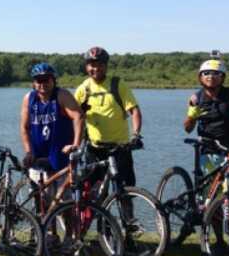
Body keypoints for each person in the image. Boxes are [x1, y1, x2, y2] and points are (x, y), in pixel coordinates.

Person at [19, 62, 84, 211]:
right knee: (42, 203)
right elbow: (24, 126)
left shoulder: (61, 95)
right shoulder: (29, 98)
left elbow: (78, 117)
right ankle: (48, 233)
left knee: (64, 203)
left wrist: (75, 145)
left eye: (46, 79)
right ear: (34, 83)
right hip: (38, 158)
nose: (42, 84)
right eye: (38, 80)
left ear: (53, 80)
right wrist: (28, 151)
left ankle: (69, 234)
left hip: (60, 157)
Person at [74, 46, 143, 187]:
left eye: (100, 64)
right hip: (94, 149)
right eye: (92, 65)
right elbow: (74, 117)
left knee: (125, 193)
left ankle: (125, 208)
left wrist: (136, 134)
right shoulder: (83, 89)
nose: (96, 68)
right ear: (87, 67)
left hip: (120, 149)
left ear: (106, 66)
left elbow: (134, 111)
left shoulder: (117, 85)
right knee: (92, 194)